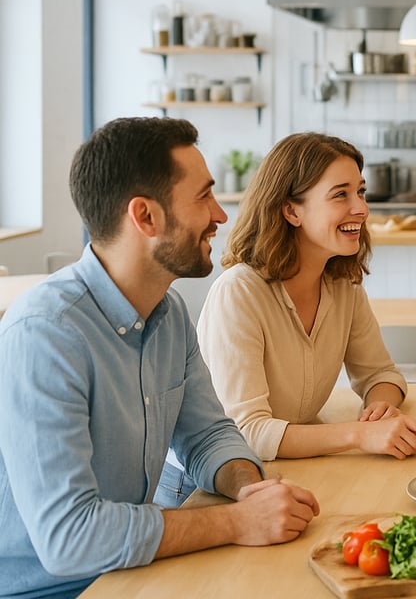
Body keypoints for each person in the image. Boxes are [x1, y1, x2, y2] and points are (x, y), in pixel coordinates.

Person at [0, 117, 320, 599]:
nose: (220, 214)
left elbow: (208, 434)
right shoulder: (45, 335)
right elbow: (70, 539)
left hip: (133, 570)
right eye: (204, 197)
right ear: (146, 217)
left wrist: (249, 488)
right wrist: (235, 521)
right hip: (52, 589)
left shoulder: (166, 311)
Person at [190, 133, 416, 469]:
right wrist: (359, 435)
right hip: (210, 483)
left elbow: (381, 374)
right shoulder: (238, 293)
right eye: (340, 195)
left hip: (287, 467)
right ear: (291, 210)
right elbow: (246, 432)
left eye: (360, 191)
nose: (361, 209)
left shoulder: (342, 283)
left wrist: (380, 408)